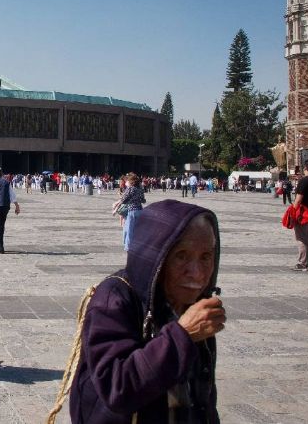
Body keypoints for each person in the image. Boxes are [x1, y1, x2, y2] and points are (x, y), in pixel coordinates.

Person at [68, 200, 224, 423]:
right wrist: (183, 335)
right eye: (181, 256)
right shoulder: (114, 300)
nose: (197, 274)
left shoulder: (195, 305)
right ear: (156, 257)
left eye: (206, 257)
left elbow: (201, 392)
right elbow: (117, 388)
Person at [115, 172, 145, 252]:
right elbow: (143, 200)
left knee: (128, 229)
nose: (126, 182)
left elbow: (123, 200)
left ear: (131, 182)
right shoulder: (139, 189)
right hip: (140, 210)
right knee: (137, 229)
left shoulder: (130, 188)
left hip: (132, 211)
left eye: (127, 181)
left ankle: (128, 247)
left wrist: (115, 208)